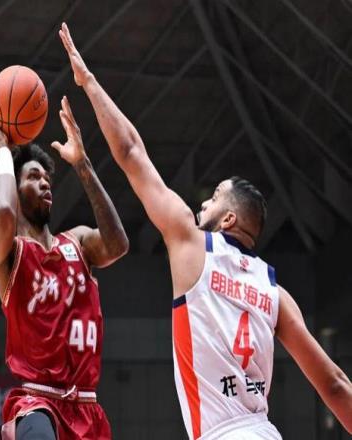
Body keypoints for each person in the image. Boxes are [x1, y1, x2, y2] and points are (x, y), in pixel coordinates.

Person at [59, 22, 352, 440]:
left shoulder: (191, 243)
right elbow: (335, 384)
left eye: (214, 198)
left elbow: (131, 151)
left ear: (229, 219)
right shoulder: (276, 294)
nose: (202, 205)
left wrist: (88, 82)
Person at [0, 92, 128, 440]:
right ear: (16, 189)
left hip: (88, 408)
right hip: (37, 402)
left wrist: (83, 164)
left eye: (47, 178)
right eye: (33, 176)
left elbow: (118, 244)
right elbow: (3, 213)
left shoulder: (77, 242)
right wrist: (2, 149)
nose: (45, 182)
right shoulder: (9, 252)